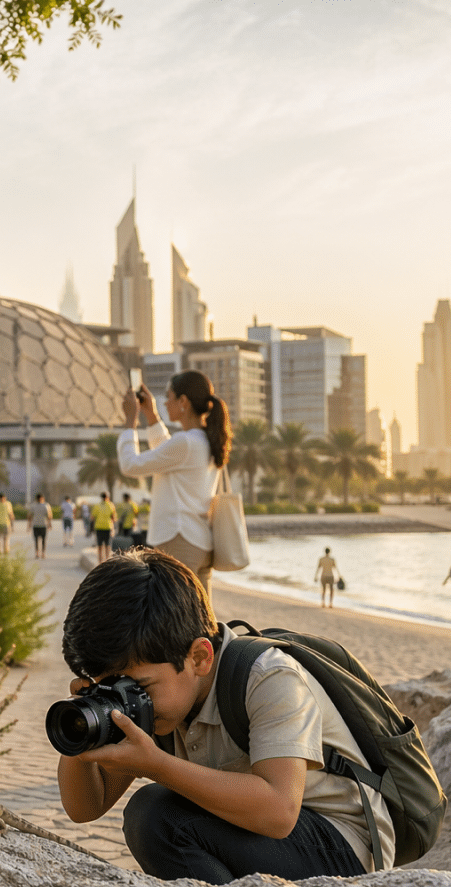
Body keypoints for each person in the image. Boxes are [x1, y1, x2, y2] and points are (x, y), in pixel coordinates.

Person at [57, 549, 392, 883]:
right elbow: (86, 807)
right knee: (156, 816)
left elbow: (279, 811)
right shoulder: (159, 699)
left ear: (199, 657)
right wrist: (82, 730)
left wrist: (157, 765)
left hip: (341, 845)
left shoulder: (269, 677)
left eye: (140, 685)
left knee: (157, 816)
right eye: (109, 685)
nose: (126, 695)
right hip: (251, 830)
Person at [116, 369, 231, 595]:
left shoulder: (187, 443)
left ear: (183, 402)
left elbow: (131, 465)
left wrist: (131, 421)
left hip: (180, 540)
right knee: (200, 620)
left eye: (168, 397)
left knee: (180, 621)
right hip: (197, 541)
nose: (165, 403)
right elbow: (166, 454)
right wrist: (151, 416)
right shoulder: (202, 439)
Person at [91, 490, 117, 564]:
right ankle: (107, 561)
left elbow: (92, 517)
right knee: (107, 545)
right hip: (108, 527)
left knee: (99, 546)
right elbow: (114, 518)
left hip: (99, 527)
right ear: (108, 497)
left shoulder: (97, 505)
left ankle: (100, 562)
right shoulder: (111, 505)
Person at [28, 493, 52, 559]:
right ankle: (43, 553)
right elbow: (49, 515)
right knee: (43, 540)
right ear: (43, 498)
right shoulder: (46, 505)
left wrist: (29, 525)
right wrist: (50, 524)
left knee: (36, 540)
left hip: (36, 525)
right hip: (43, 525)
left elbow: (29, 516)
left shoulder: (33, 505)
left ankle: (37, 553)